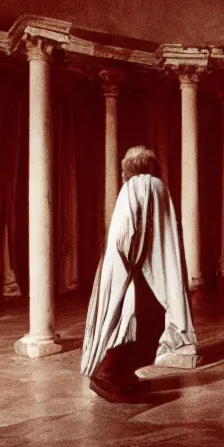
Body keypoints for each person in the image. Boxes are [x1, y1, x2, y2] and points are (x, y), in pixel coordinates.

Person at [81, 146, 199, 401]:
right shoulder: (157, 187)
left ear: (128, 170)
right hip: (148, 270)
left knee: (129, 320)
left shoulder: (132, 188)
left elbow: (125, 232)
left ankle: (116, 372)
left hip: (129, 268)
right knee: (141, 321)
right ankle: (112, 372)